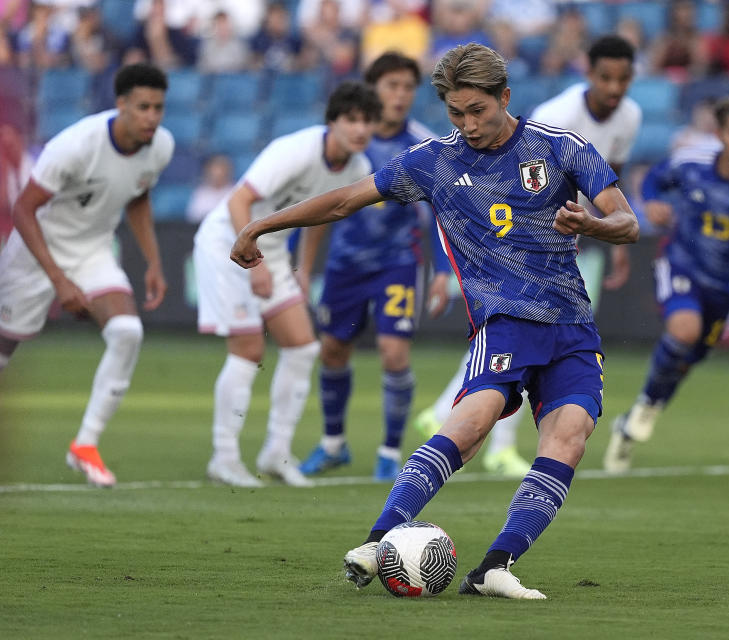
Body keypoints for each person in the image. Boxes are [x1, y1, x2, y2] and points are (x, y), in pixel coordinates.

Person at [230, 43, 639, 599]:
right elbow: (347, 199)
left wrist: (591, 225)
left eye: (478, 110)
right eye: (455, 112)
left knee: (570, 437)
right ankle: (378, 543)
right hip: (503, 321)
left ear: (505, 98)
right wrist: (262, 226)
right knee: (472, 423)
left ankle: (494, 567)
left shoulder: (563, 149)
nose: (467, 124)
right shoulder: (433, 161)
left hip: (572, 326)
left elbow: (627, 221)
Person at [412, 35, 641, 478]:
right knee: (520, 328)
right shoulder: (558, 117)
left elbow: (614, 178)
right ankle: (492, 441)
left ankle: (447, 407)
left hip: (568, 225)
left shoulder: (630, 116)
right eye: (605, 77)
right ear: (587, 74)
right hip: (515, 223)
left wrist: (603, 229)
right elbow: (515, 165)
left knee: (519, 333)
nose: (614, 88)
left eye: (623, 79)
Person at [192, 81, 380, 488]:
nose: (360, 129)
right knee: (249, 348)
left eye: (367, 121)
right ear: (333, 121)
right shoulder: (295, 150)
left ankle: (276, 452)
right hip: (228, 241)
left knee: (303, 346)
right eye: (351, 119)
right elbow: (237, 201)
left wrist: (303, 268)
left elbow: (322, 215)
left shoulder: (358, 168)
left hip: (272, 251)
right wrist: (254, 264)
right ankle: (223, 457)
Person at [603, 94, 729, 473]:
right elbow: (653, 182)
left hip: (727, 287)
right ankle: (645, 409)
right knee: (684, 330)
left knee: (687, 360)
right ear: (720, 133)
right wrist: (652, 203)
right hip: (682, 264)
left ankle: (635, 419)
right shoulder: (691, 162)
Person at [0, 63, 173, 487]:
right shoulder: (77, 146)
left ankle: (85, 445)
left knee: (128, 331)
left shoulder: (160, 146)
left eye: (159, 107)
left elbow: (138, 196)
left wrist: (154, 261)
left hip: (92, 250)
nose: (152, 116)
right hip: (34, 250)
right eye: (143, 107)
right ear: (121, 105)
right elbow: (23, 209)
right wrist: (59, 281)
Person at [297, 52, 450, 482]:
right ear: (372, 89)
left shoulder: (424, 146)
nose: (400, 96)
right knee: (333, 351)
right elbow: (317, 203)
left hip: (397, 264)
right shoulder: (345, 141)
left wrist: (441, 271)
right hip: (345, 264)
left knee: (394, 352)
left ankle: (388, 452)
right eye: (391, 86)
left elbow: (441, 212)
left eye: (407, 87)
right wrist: (302, 266)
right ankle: (333, 445)